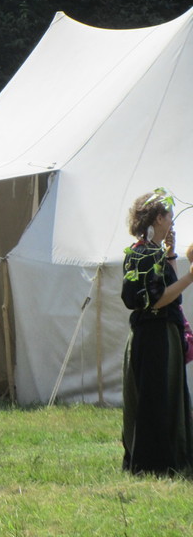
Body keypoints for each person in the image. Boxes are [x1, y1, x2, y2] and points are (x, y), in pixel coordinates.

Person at [121, 192, 193, 476]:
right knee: (155, 397)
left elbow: (168, 288)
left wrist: (171, 254)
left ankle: (171, 455)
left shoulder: (153, 252)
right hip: (154, 337)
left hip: (160, 334)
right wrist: (191, 277)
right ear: (158, 218)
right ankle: (154, 463)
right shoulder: (144, 254)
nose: (172, 222)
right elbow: (157, 299)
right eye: (169, 216)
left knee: (166, 394)